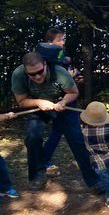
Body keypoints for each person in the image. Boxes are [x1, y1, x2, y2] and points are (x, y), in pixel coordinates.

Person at [11, 52, 99, 192]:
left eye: (40, 72)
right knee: (32, 138)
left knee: (77, 139)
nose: (37, 76)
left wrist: (63, 102)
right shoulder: (18, 75)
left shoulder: (59, 72)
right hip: (37, 105)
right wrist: (39, 102)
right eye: (32, 74)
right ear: (26, 71)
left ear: (45, 65)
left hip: (63, 103)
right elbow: (21, 101)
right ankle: (37, 176)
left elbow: (73, 92)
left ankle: (94, 180)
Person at [36, 27, 83, 174]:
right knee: (74, 133)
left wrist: (75, 76)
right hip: (60, 101)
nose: (63, 42)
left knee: (57, 131)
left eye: (63, 39)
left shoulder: (62, 54)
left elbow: (69, 71)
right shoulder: (46, 59)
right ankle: (87, 163)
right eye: (59, 40)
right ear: (49, 42)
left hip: (67, 98)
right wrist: (70, 76)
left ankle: (43, 160)